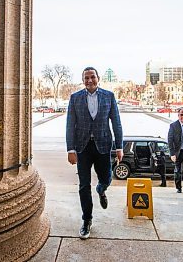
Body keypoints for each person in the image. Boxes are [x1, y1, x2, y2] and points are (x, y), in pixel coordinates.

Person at [66, 67, 123, 240]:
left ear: (98, 78)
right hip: (82, 147)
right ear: (83, 80)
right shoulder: (75, 98)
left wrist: (119, 147)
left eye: (92, 77)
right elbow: (70, 125)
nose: (89, 80)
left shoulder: (109, 96)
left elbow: (117, 123)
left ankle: (101, 189)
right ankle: (87, 220)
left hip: (103, 146)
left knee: (106, 178)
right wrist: (70, 149)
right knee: (84, 185)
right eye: (86, 78)